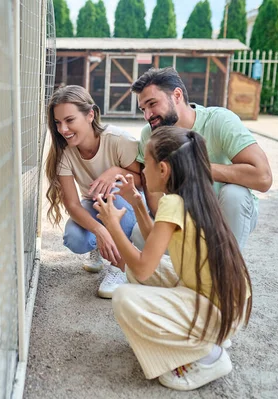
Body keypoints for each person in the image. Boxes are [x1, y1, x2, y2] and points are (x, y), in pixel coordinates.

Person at [94, 126, 252, 391]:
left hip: (217, 311)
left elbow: (143, 268)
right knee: (133, 272)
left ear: (164, 169)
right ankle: (209, 336)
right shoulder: (192, 195)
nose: (142, 170)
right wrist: (136, 203)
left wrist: (112, 225)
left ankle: (208, 356)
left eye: (147, 163)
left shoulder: (172, 203)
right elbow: (153, 243)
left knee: (124, 296)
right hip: (227, 307)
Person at [130, 67, 272, 250]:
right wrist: (168, 224)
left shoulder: (220, 120)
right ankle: (182, 271)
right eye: (143, 109)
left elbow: (263, 178)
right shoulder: (149, 133)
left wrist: (194, 166)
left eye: (152, 104)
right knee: (139, 234)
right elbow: (153, 192)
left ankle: (226, 268)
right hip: (184, 217)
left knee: (235, 195)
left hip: (223, 215)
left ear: (177, 95)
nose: (147, 115)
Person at [45, 85, 141, 298]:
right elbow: (72, 204)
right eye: (58, 123)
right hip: (95, 204)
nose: (63, 129)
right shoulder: (65, 153)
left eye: (69, 120)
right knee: (75, 238)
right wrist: (100, 230)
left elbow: (143, 181)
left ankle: (119, 267)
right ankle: (99, 246)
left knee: (113, 196)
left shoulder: (119, 140)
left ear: (90, 115)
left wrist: (115, 172)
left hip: (126, 201)